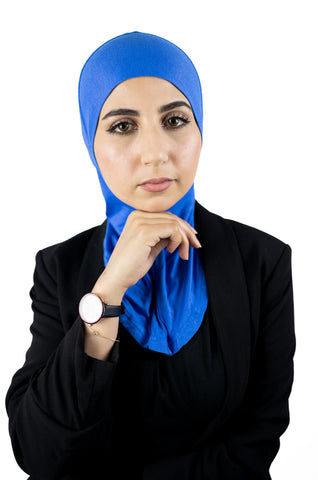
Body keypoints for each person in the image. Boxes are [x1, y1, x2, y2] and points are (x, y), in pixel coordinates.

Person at [6, 32, 295, 480]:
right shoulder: (59, 269)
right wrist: (108, 290)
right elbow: (39, 451)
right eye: (123, 125)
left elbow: (258, 438)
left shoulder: (261, 262)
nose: (156, 152)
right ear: (91, 143)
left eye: (176, 120)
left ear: (201, 129)